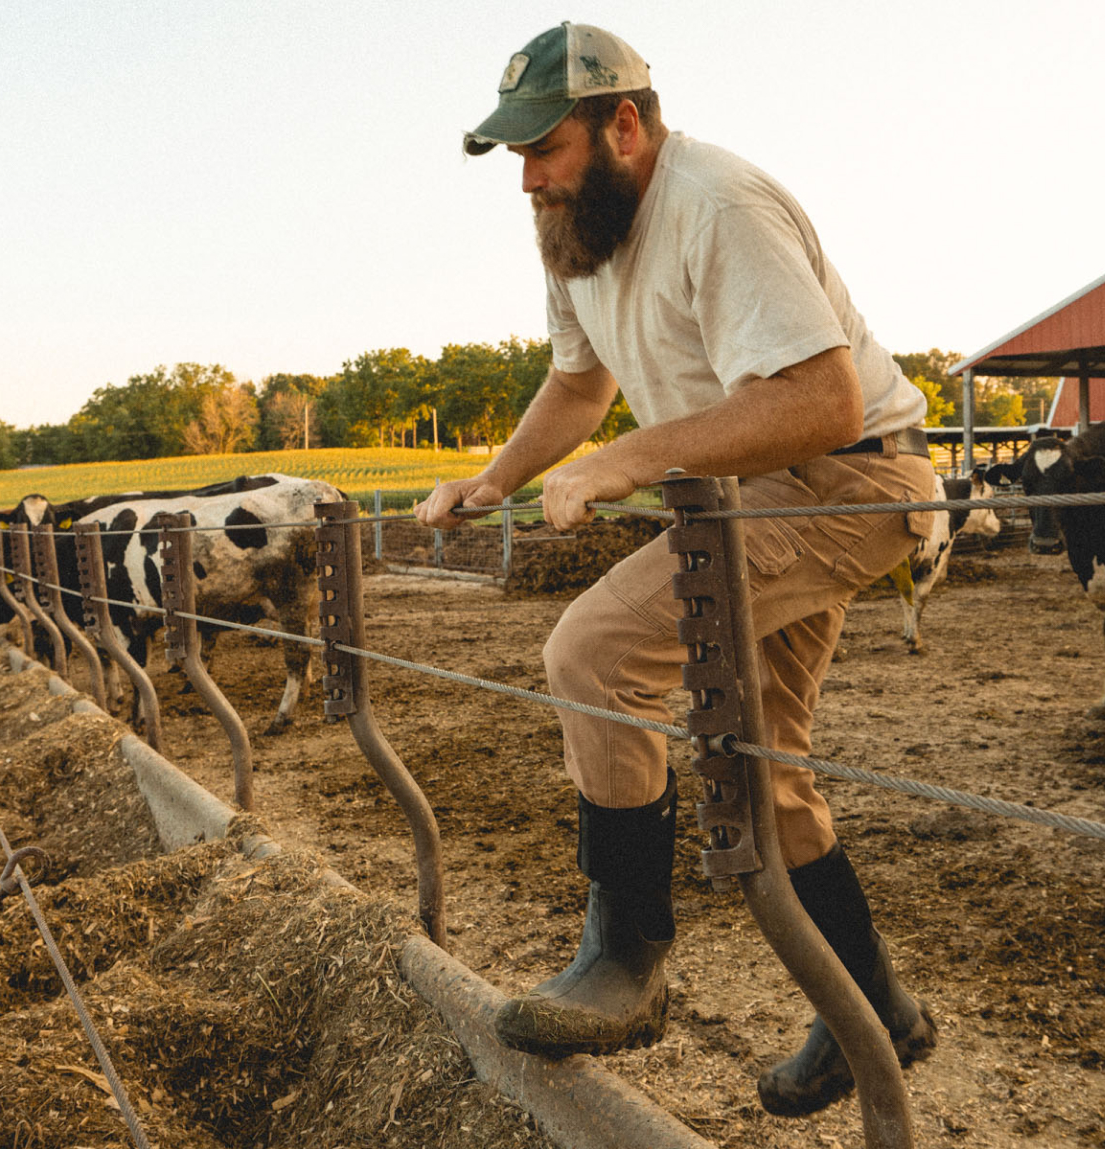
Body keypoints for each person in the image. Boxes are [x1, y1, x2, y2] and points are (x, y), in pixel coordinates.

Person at [416, 21, 937, 1117]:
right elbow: (577, 385)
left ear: (624, 122)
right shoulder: (576, 226)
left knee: (595, 650)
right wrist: (494, 482)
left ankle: (624, 958)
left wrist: (631, 460)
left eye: (543, 147)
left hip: (846, 483)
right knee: (763, 775)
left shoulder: (716, 205)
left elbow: (820, 401)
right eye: (514, 155)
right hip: (755, 494)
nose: (526, 179)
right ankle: (872, 1008)